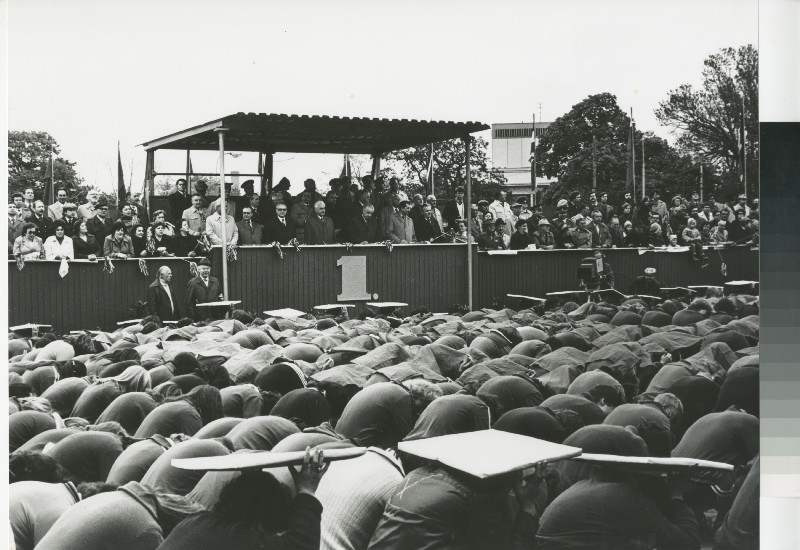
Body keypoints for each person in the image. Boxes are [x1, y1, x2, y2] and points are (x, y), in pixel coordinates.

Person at [159, 448, 328, 550]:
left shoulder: (201, 522)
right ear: (260, 522)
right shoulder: (231, 537)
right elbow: (300, 546)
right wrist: (306, 491)